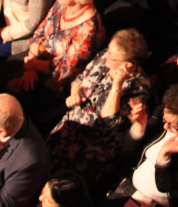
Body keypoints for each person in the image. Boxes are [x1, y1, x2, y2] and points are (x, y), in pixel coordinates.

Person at [46, 29, 152, 189]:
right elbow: (79, 79)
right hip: (69, 127)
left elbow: (108, 121)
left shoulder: (139, 88)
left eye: (112, 56)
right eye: (108, 51)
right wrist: (74, 94)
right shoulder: (105, 56)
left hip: (90, 149)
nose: (106, 57)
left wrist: (117, 84)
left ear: (128, 65)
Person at [12, 0, 105, 132]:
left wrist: (33, 65)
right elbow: (40, 32)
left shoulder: (89, 28)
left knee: (16, 106)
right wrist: (31, 63)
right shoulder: (61, 4)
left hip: (59, 84)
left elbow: (64, 69)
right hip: (37, 62)